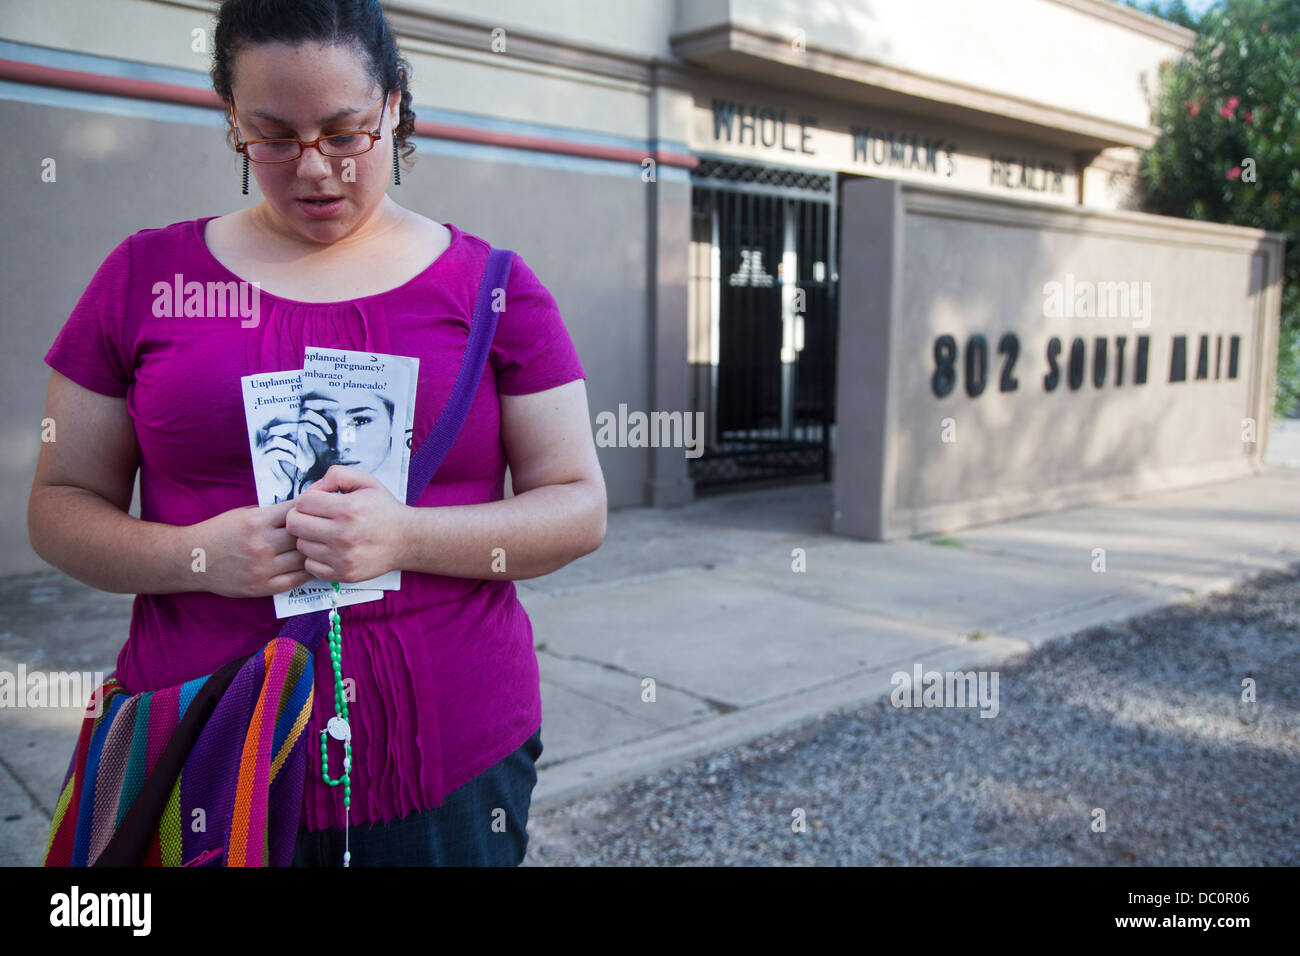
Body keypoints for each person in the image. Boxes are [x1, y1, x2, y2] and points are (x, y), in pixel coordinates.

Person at [27, 0, 606, 867]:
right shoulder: (145, 277)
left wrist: (405, 537)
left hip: (451, 761)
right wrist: (198, 556)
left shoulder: (493, 287)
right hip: (202, 742)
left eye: (344, 133)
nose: (314, 170)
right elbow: (60, 506)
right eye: (272, 137)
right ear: (231, 119)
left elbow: (578, 507)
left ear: (394, 106)